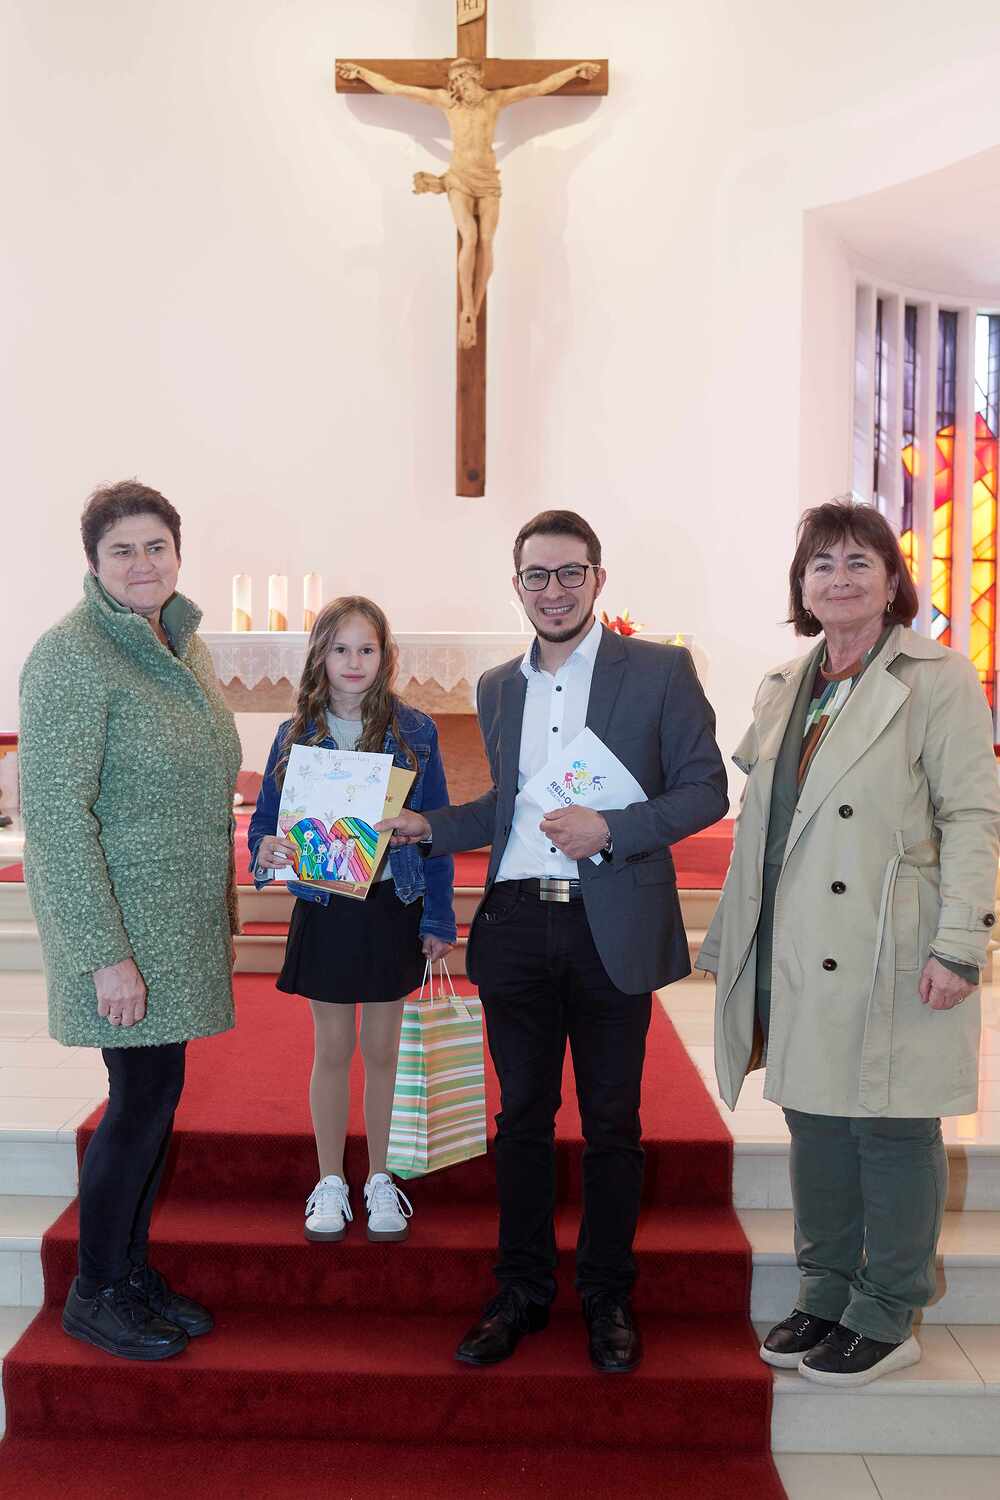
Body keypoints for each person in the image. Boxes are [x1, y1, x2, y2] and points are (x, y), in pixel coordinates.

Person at [378, 510, 728, 1372]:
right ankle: (522, 1289)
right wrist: (428, 826)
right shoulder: (499, 686)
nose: (554, 590)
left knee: (612, 1122)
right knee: (523, 1118)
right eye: (537, 575)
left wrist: (612, 827)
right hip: (517, 925)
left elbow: (706, 790)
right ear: (518, 586)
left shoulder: (660, 671)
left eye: (571, 572)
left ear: (598, 580)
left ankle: (607, 1295)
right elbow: (507, 810)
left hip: (611, 921)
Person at [698, 498, 1000, 1387]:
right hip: (799, 941)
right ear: (802, 587)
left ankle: (888, 1310)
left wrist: (961, 943)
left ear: (892, 580)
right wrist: (735, 941)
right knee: (815, 1121)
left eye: (859, 561)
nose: (839, 578)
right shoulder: (785, 683)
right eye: (821, 564)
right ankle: (824, 1290)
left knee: (893, 1124)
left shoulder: (938, 677)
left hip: (891, 938)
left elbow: (973, 815)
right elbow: (764, 823)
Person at [19, 480, 242, 1361]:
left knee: (155, 1099)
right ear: (93, 561)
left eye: (156, 547)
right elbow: (56, 819)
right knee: (137, 1101)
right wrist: (103, 954)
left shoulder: (179, 641)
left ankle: (128, 1270)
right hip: (124, 927)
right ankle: (94, 1290)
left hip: (176, 921)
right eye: (123, 550)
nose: (143, 563)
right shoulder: (70, 656)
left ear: (178, 554)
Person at [249, 597, 456, 1245]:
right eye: (341, 648)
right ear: (321, 655)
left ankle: (381, 1177)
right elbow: (265, 822)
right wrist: (266, 849)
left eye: (367, 649)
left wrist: (439, 917)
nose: (354, 661)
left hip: (392, 904)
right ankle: (332, 1179)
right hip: (326, 906)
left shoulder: (416, 731)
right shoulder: (295, 734)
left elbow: (438, 830)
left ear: (385, 656)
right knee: (333, 1049)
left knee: (384, 1050)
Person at [335, 57, 600, 348]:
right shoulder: (447, 103)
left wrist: (575, 71)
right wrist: (361, 73)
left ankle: (475, 305)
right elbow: (396, 88)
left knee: (486, 240)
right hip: (459, 178)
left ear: (477, 75)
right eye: (455, 81)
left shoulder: (495, 101)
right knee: (470, 237)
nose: (460, 85)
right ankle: (468, 309)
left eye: (464, 77)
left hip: (487, 180)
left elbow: (538, 87)